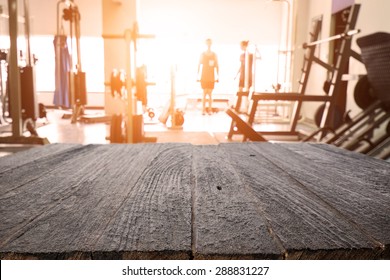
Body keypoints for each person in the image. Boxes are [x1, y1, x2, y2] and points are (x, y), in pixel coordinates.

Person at [198, 38, 219, 115]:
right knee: (204, 93)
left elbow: (217, 65)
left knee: (210, 94)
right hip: (204, 76)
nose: (208, 45)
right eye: (207, 43)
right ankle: (203, 110)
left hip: (211, 76)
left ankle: (209, 110)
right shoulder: (203, 54)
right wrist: (197, 75)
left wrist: (218, 76)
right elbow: (199, 65)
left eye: (210, 43)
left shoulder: (214, 55)